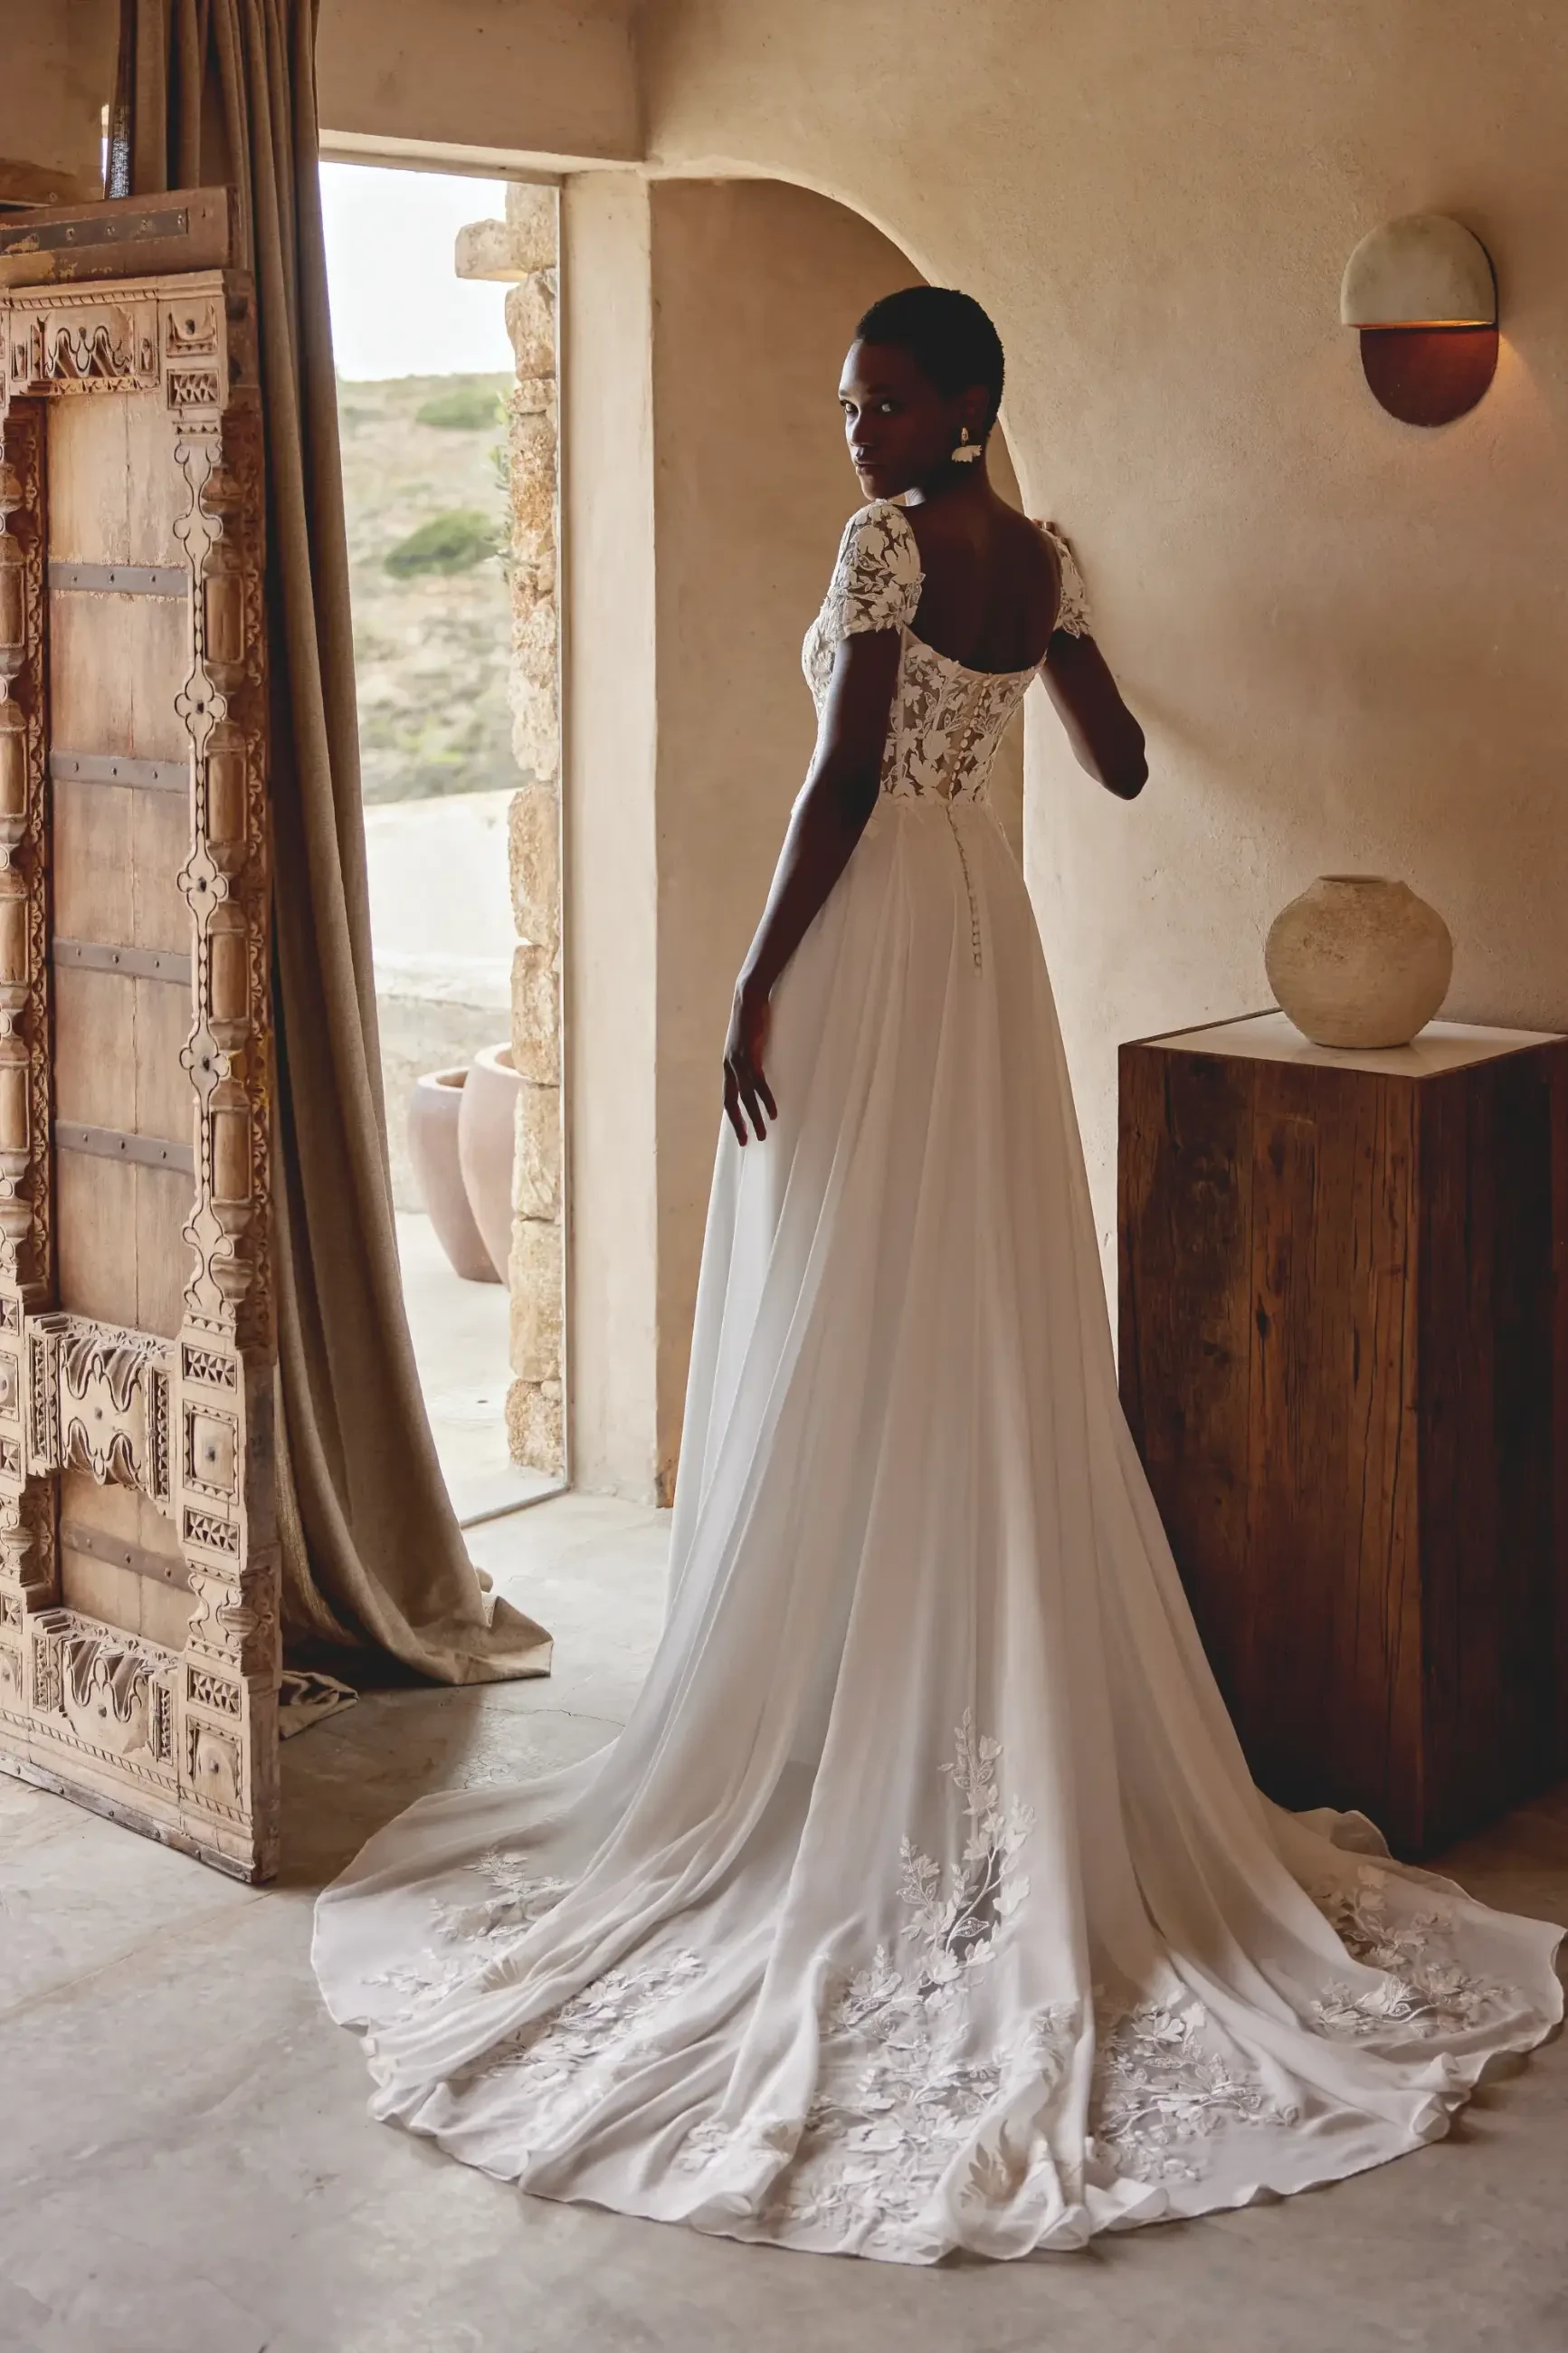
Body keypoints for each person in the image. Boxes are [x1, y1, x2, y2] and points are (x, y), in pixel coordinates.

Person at [315, 288, 1561, 2265]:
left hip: (872, 941)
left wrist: (750, 973)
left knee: (838, 1284)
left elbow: (835, 778)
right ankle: (912, 1686)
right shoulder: (1035, 556)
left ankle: (853, 1703)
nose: (852, 426)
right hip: (983, 953)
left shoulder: (886, 541)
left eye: (881, 398)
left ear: (964, 405)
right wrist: (1051, 661)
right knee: (964, 1303)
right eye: (843, 400)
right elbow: (1128, 763)